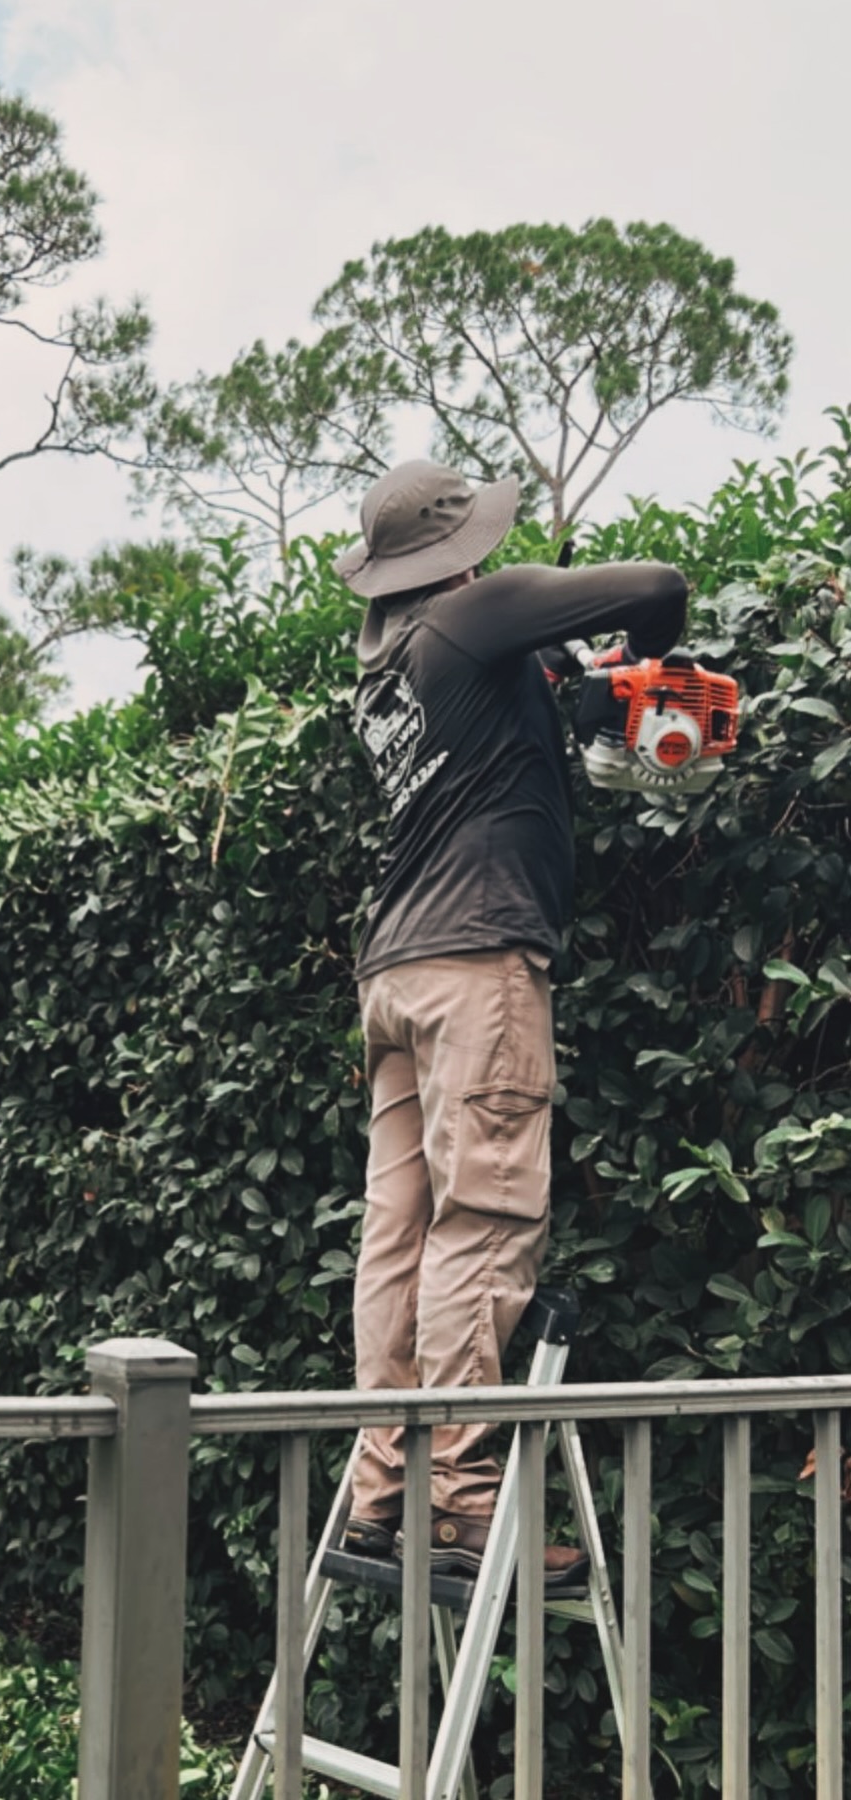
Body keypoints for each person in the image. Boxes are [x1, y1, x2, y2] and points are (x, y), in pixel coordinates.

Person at [333, 459, 687, 1583]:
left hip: (394, 970)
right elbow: (658, 583)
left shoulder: (384, 665)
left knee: (397, 1236)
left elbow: (492, 756)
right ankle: (465, 1503)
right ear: (458, 551)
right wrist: (650, 660)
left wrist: (574, 693)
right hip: (478, 959)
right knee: (483, 1221)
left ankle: (380, 1487)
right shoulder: (472, 613)